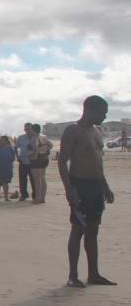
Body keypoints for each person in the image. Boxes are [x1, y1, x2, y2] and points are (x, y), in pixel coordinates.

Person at [58, 95, 116, 287]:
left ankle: (94, 274)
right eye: (102, 112)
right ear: (89, 110)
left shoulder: (97, 130)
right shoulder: (73, 130)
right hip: (80, 185)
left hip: (96, 185)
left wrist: (105, 186)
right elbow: (62, 161)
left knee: (93, 229)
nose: (104, 116)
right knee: (78, 229)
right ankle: (72, 276)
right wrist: (69, 190)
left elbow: (97, 161)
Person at [0, 135, 16, 202]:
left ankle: (6, 197)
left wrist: (7, 161)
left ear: (6, 141)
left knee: (5, 183)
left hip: (7, 168)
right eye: (0, 140)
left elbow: (13, 158)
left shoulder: (10, 148)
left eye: (1, 140)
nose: (0, 141)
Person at [31, 122, 52, 204]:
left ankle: (37, 198)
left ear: (34, 130)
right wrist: (45, 150)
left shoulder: (34, 138)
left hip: (38, 159)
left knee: (37, 180)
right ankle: (43, 198)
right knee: (42, 178)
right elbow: (51, 145)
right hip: (44, 158)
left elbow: (35, 147)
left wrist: (34, 156)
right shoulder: (44, 137)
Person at [15, 123, 35, 201]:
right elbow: (15, 147)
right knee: (22, 179)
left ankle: (35, 195)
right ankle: (24, 195)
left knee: (33, 179)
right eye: (25, 129)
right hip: (23, 160)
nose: (27, 131)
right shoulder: (21, 137)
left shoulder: (36, 137)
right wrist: (17, 157)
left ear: (32, 129)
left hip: (33, 161)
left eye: (29, 129)